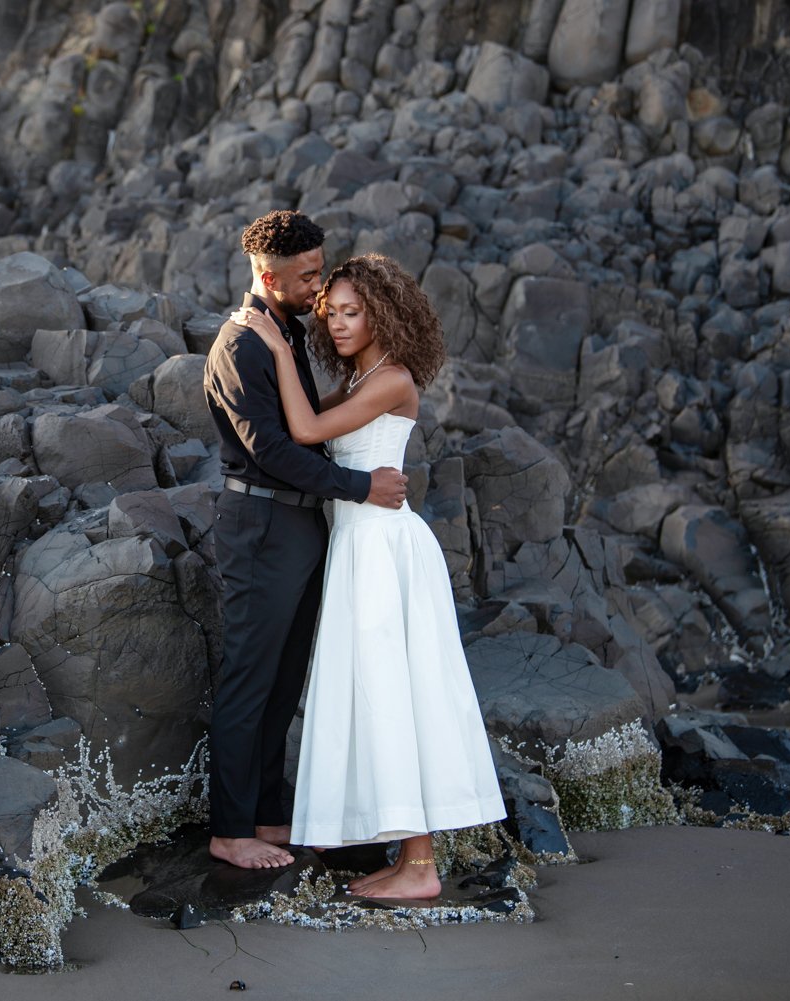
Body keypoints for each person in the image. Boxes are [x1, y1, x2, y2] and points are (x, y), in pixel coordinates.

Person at [231, 253, 506, 899]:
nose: (341, 326)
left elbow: (303, 427)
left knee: (396, 693)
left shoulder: (392, 379)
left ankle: (421, 865)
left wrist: (273, 342)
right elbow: (299, 433)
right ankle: (405, 853)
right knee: (378, 692)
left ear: (383, 311)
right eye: (331, 316)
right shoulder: (364, 379)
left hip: (383, 551)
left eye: (353, 312)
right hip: (360, 548)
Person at [204, 212, 409, 871]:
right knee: (248, 679)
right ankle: (230, 829)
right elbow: (275, 452)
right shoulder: (241, 346)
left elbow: (309, 428)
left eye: (321, 268)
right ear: (269, 276)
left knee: (284, 680)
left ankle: (267, 810)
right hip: (261, 524)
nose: (319, 285)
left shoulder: (285, 328)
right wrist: (359, 486)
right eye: (309, 274)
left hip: (297, 526)